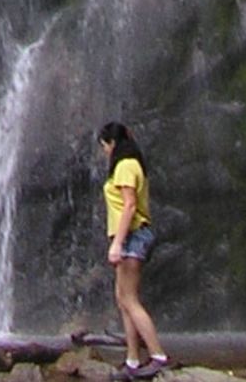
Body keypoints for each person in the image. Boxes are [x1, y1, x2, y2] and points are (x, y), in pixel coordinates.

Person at [98, 122, 168, 380]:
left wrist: (118, 243)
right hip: (129, 236)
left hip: (132, 236)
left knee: (129, 298)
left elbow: (129, 206)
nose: (105, 152)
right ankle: (132, 360)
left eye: (104, 146)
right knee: (123, 298)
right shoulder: (129, 164)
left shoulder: (126, 165)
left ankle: (159, 356)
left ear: (112, 143)